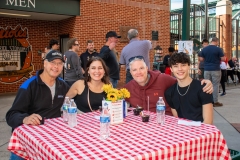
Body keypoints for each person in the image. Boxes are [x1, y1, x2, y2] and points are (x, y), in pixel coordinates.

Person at [6, 50, 69, 160]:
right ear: (45, 63)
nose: (56, 66)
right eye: (53, 62)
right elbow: (11, 115)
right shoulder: (28, 86)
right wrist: (25, 118)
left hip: (51, 139)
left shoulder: (63, 85)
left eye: (59, 63)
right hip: (28, 140)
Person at [124, 57, 213, 116]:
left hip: (166, 125)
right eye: (134, 70)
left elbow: (183, 81)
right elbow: (113, 95)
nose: (138, 72)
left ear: (147, 69)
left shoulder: (162, 79)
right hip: (142, 126)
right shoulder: (128, 88)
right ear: (130, 73)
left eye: (141, 68)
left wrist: (204, 82)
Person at [164, 53, 213, 124]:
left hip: (202, 131)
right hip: (182, 131)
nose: (180, 69)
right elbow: (177, 119)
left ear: (189, 66)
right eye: (176, 66)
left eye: (183, 65)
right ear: (171, 69)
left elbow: (208, 122)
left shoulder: (203, 88)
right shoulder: (169, 93)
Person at [199, 37, 225, 107]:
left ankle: (207, 101)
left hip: (206, 69)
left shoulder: (204, 49)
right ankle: (215, 101)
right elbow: (223, 59)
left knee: (207, 85)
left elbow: (201, 59)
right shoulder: (218, 49)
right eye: (218, 42)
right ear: (216, 41)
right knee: (215, 85)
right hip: (216, 69)